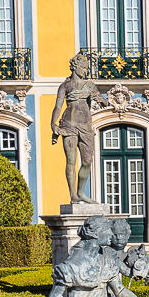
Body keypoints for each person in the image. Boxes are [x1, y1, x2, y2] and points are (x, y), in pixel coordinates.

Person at [51, 54, 100, 203]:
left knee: (87, 161)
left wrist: (102, 100)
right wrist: (53, 123)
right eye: (83, 68)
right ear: (75, 67)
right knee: (71, 160)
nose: (85, 71)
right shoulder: (65, 86)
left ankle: (81, 193)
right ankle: (73, 194)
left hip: (85, 125)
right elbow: (58, 107)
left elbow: (101, 100)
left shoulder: (89, 85)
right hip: (69, 124)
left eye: (86, 68)